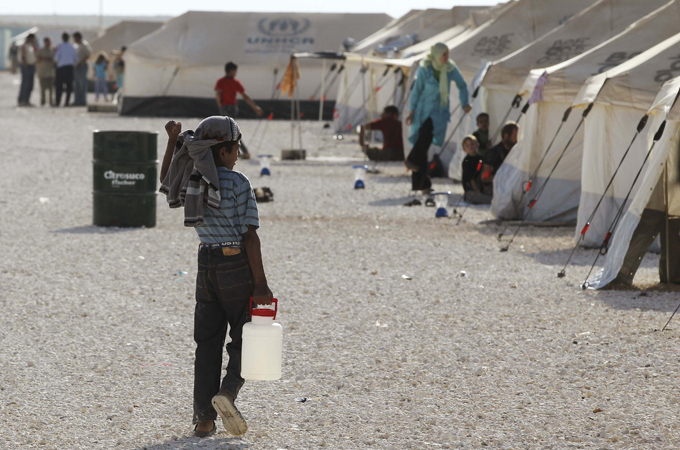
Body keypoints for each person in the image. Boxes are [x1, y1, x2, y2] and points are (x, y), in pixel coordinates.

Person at [159, 116, 273, 438]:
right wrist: (261, 284)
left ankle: (204, 420)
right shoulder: (238, 183)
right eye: (236, 149)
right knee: (246, 335)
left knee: (207, 343)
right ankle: (228, 392)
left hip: (206, 263)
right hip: (236, 265)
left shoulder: (193, 178)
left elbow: (166, 178)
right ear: (223, 151)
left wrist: (172, 141)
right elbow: (249, 236)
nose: (238, 155)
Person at [405, 43, 471, 191]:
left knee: (423, 144)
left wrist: (465, 103)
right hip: (423, 110)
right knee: (422, 142)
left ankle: (417, 174)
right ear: (436, 55)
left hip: (439, 112)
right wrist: (411, 111)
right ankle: (420, 180)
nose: (447, 57)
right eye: (444, 54)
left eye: (448, 54)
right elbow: (417, 90)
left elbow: (462, 85)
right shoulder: (425, 68)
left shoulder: (450, 68)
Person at [214, 61, 263, 159]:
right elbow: (245, 96)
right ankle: (236, 152)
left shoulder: (221, 81)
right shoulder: (235, 82)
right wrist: (255, 107)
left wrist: (220, 105)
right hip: (233, 108)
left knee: (229, 130)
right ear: (232, 71)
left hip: (225, 108)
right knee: (230, 130)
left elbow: (218, 95)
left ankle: (242, 151)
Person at [461, 135, 492, 204]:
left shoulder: (481, 158)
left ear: (477, 145)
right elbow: (471, 179)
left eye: (472, 144)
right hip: (471, 189)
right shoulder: (466, 162)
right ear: (464, 149)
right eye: (467, 145)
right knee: (477, 197)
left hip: (482, 186)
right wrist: (477, 190)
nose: (470, 147)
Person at [54, 32, 77, 106]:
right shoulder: (72, 47)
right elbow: (76, 58)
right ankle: (67, 102)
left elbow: (56, 58)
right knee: (69, 86)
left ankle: (58, 102)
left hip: (61, 68)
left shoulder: (60, 46)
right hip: (70, 68)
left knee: (59, 86)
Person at [17, 34, 38, 107]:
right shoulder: (24, 45)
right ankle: (22, 100)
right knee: (25, 83)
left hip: (31, 66)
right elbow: (23, 56)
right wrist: (25, 63)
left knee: (30, 85)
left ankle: (26, 100)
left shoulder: (30, 46)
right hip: (26, 66)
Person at [72, 31, 92, 106]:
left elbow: (88, 54)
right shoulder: (76, 45)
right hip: (77, 66)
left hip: (82, 66)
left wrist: (82, 62)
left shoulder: (84, 44)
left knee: (82, 84)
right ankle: (77, 100)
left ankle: (83, 101)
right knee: (77, 84)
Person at [36, 37, 56, 107]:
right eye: (48, 42)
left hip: (51, 72)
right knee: (43, 88)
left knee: (51, 89)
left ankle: (51, 101)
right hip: (43, 72)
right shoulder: (41, 50)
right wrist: (44, 59)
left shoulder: (52, 50)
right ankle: (43, 101)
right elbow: (37, 59)